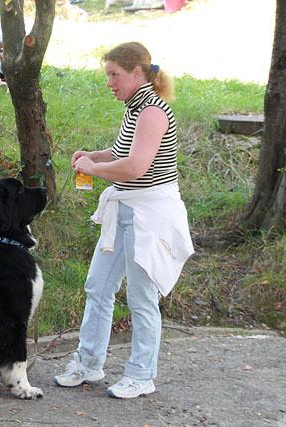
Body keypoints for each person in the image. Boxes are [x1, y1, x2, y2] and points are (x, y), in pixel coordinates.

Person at [53, 42, 194, 399]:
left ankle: (141, 375)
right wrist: (92, 155)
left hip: (150, 215)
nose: (109, 83)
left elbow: (135, 167)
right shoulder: (136, 108)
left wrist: (93, 169)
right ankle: (88, 363)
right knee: (98, 287)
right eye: (107, 76)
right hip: (126, 209)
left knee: (141, 299)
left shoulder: (152, 111)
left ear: (136, 72)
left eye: (114, 75)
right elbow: (122, 153)